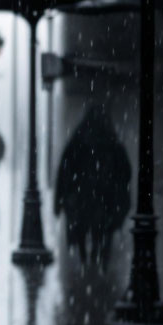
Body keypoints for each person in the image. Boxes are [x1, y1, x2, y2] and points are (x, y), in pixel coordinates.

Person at [54, 105, 131, 268]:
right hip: (105, 195)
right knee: (103, 227)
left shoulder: (78, 140)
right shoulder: (112, 142)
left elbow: (65, 170)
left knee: (82, 228)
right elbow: (125, 171)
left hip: (83, 196)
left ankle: (85, 260)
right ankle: (99, 256)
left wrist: (60, 198)